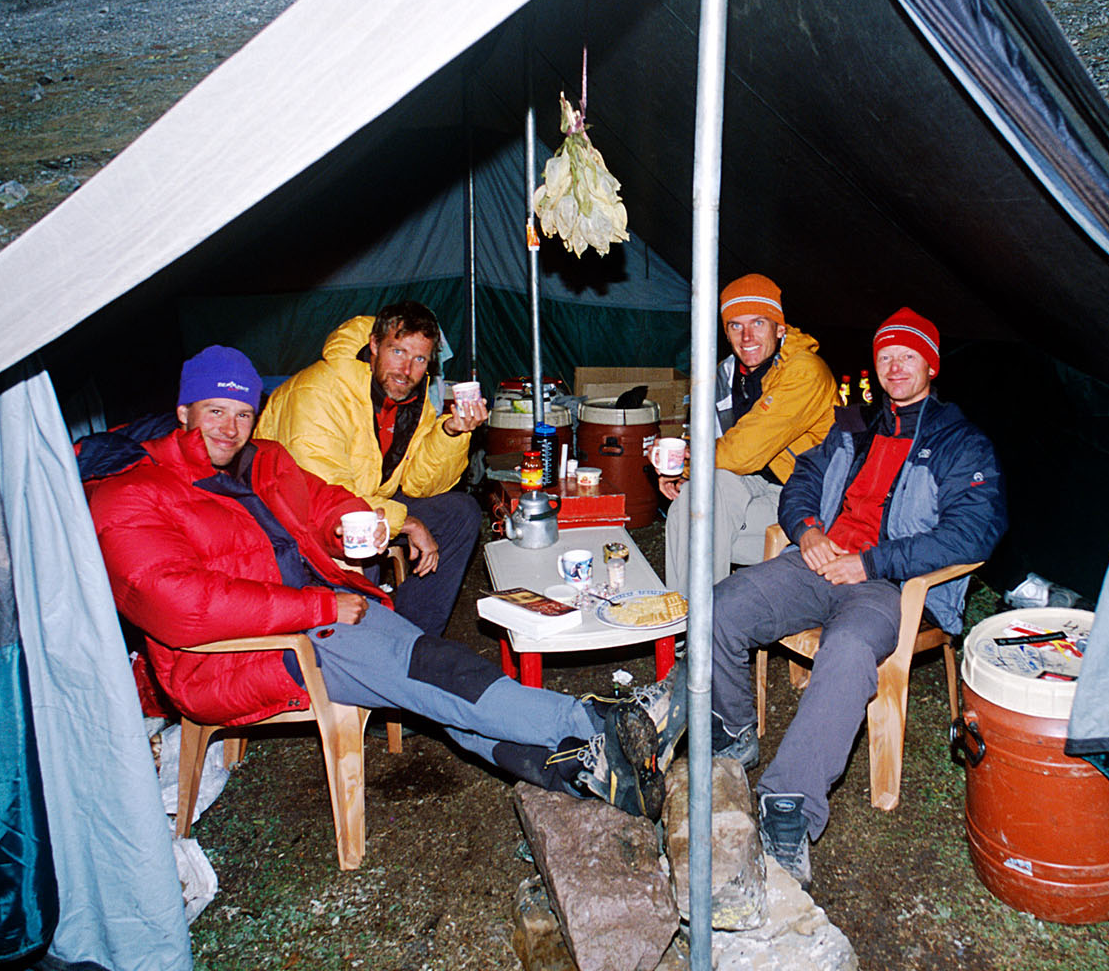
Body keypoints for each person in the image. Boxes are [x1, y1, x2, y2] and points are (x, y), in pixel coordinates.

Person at [86, 346, 686, 819]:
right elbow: (179, 606)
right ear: (184, 410)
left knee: (440, 688)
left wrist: (356, 525)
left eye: (243, 413)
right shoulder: (130, 493)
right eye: (216, 411)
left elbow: (322, 503)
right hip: (243, 654)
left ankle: (584, 774)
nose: (231, 427)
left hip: (322, 616)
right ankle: (592, 724)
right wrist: (317, 602)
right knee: (432, 674)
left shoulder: (261, 460)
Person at [707, 308, 1007, 888]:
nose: (894, 366)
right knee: (722, 606)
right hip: (817, 562)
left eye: (907, 355)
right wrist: (809, 530)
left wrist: (870, 561)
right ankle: (735, 732)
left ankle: (789, 804)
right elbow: (799, 481)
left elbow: (972, 532)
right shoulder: (851, 427)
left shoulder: (960, 442)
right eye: (885, 355)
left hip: (883, 584)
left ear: (931, 364)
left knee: (847, 653)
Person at [256, 302, 487, 636]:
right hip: (297, 520)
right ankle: (378, 647)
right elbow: (325, 495)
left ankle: (415, 639)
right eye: (397, 352)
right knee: (362, 545)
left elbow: (420, 484)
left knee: (459, 512)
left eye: (420, 359)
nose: (406, 370)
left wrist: (452, 431)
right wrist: (405, 523)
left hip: (364, 506)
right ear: (375, 346)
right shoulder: (319, 391)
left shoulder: (411, 399)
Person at [661, 273, 835, 595]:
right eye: (735, 325)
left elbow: (742, 452)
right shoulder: (728, 375)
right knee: (691, 504)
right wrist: (678, 462)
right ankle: (691, 625)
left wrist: (686, 464)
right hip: (755, 483)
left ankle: (706, 630)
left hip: (806, 494)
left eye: (758, 322)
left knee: (700, 526)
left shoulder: (804, 372)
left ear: (780, 328)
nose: (747, 336)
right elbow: (713, 442)